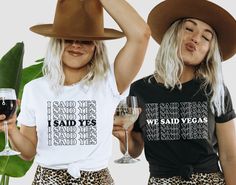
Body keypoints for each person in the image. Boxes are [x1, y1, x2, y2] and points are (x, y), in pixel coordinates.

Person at [0, 0, 150, 184]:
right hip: (48, 180)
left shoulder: (110, 81)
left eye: (86, 40)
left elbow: (140, 34)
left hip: (98, 180)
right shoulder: (35, 89)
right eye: (68, 38)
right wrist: (12, 130)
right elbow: (28, 152)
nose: (76, 45)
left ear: (96, 46)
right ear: (57, 42)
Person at [113, 0, 236, 184]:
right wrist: (124, 137)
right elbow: (136, 149)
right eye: (189, 28)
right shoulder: (140, 89)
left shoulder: (214, 90)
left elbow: (229, 156)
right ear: (172, 33)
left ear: (209, 51)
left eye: (206, 37)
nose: (195, 38)